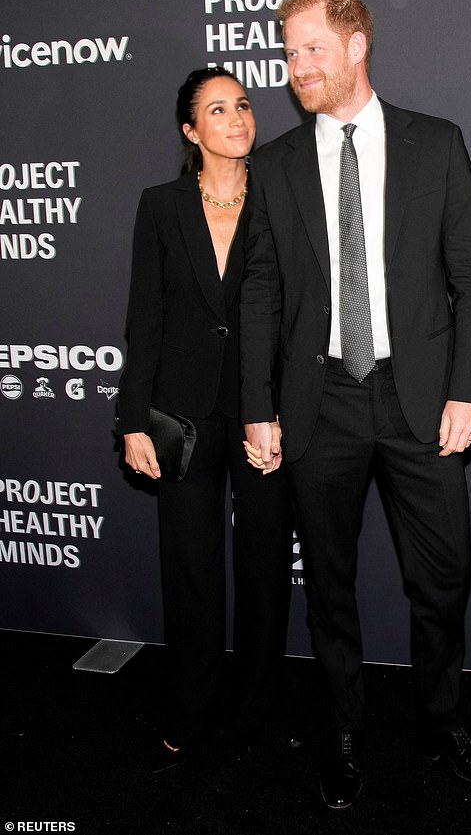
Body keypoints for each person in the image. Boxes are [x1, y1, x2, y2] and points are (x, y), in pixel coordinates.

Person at [240, 0, 471, 808]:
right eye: (289, 53)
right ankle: (346, 727)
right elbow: (261, 291)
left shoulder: (435, 143)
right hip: (320, 400)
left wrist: (469, 390)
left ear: (357, 47)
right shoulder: (279, 163)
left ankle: (440, 718)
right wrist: (259, 404)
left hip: (419, 398)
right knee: (328, 584)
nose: (297, 68)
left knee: (444, 576)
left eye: (311, 49)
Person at [116, 67, 294, 772]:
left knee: (263, 569)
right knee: (190, 571)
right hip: (183, 417)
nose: (237, 118)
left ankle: (254, 711)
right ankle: (188, 709)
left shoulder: (281, 199)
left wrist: (277, 405)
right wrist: (134, 419)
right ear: (191, 130)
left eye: (244, 105)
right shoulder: (160, 206)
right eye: (217, 109)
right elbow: (145, 319)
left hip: (264, 415)